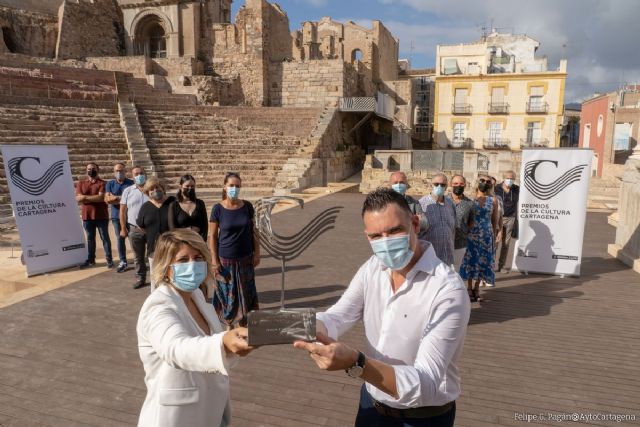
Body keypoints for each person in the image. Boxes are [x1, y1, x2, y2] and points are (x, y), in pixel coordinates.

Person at [293, 188, 470, 427]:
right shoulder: (373, 267)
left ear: (415, 224)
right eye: (376, 236)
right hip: (371, 405)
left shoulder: (448, 289)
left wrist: (356, 363)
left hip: (423, 417)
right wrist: (308, 326)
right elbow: (340, 314)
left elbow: (426, 383)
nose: (386, 243)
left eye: (395, 231)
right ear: (367, 237)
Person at [136, 229, 253, 427]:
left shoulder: (197, 297)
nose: (193, 265)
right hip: (176, 418)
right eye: (183, 260)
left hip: (211, 412)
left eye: (198, 257)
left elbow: (213, 349)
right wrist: (223, 343)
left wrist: (232, 348)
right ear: (166, 267)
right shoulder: (158, 306)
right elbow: (175, 348)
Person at [208, 172, 260, 328]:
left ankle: (245, 324)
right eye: (231, 185)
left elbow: (254, 231)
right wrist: (214, 261)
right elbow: (212, 236)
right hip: (225, 259)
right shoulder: (217, 209)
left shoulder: (247, 206)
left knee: (246, 293)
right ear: (225, 186)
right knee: (227, 295)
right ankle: (229, 325)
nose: (234, 188)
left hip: (245, 258)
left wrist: (257, 252)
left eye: (237, 186)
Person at [459, 175, 500, 302]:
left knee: (482, 262)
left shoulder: (493, 200)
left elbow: (494, 220)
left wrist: (493, 236)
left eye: (488, 181)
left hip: (486, 235)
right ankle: (469, 287)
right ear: (477, 182)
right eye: (482, 180)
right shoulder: (470, 199)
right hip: (472, 234)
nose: (485, 183)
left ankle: (477, 288)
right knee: (471, 260)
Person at [137, 177, 175, 292]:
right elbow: (141, 226)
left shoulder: (172, 203)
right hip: (153, 248)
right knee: (155, 277)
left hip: (172, 246)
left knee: (172, 275)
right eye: (151, 189)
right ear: (148, 192)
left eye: (157, 187)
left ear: (163, 189)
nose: (155, 190)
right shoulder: (145, 207)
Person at [76, 162, 113, 269]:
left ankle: (109, 259)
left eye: (93, 168)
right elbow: (78, 198)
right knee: (90, 239)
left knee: (105, 238)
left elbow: (101, 198)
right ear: (86, 170)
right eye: (89, 169)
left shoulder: (103, 183)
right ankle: (91, 260)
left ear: (98, 169)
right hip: (87, 216)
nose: (91, 170)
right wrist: (93, 197)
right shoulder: (81, 183)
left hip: (101, 216)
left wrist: (85, 197)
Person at [120, 167, 149, 289]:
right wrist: (123, 228)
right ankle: (140, 278)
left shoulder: (152, 189)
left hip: (151, 229)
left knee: (155, 255)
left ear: (145, 174)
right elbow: (122, 211)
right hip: (134, 229)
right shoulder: (128, 191)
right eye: (136, 174)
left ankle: (158, 278)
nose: (139, 175)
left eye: (141, 173)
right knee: (138, 256)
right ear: (132, 176)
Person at [418, 173, 457, 265]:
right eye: (436, 184)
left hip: (447, 255)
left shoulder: (450, 204)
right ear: (431, 185)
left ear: (447, 186)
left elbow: (453, 228)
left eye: (443, 185)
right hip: (429, 256)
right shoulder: (421, 204)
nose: (439, 186)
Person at [105, 163, 134, 273]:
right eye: (117, 171)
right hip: (116, 216)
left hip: (130, 215)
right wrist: (123, 198)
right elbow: (107, 199)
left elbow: (131, 198)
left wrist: (115, 198)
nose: (119, 173)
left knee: (133, 238)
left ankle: (137, 258)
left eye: (121, 170)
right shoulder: (110, 183)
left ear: (125, 171)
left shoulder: (131, 183)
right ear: (114, 172)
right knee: (120, 239)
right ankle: (123, 261)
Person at [168, 175, 208, 242]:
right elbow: (172, 229)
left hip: (198, 243)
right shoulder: (174, 205)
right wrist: (189, 230)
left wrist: (202, 243)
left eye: (192, 186)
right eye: (187, 186)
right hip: (181, 243)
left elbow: (205, 226)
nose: (190, 188)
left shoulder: (200, 203)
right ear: (181, 187)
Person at [494, 170, 520, 273]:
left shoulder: (516, 189)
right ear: (504, 178)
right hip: (498, 217)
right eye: (508, 178)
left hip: (510, 218)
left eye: (512, 179)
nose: (510, 180)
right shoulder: (496, 189)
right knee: (495, 242)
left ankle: (502, 265)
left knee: (506, 243)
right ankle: (491, 264)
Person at [388, 171, 428, 237]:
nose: (398, 185)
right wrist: (413, 220)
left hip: (410, 243)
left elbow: (425, 223)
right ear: (390, 185)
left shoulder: (414, 203)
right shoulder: (384, 202)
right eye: (395, 183)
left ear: (406, 185)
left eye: (401, 182)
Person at [448, 174, 474, 268]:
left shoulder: (470, 203)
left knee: (458, 274)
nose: (458, 186)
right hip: (444, 244)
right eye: (455, 183)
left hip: (461, 245)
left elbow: (471, 223)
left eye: (461, 184)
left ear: (465, 185)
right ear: (450, 184)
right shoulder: (443, 200)